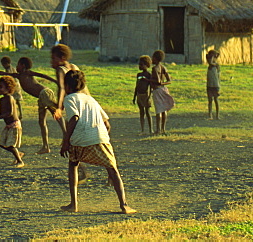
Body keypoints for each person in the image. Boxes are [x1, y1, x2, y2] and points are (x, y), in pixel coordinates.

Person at [59, 69, 135, 214]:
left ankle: (73, 204)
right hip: (100, 137)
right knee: (113, 169)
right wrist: (102, 139)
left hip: (80, 139)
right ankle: (124, 205)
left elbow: (74, 118)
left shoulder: (69, 99)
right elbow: (107, 124)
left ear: (67, 86)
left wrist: (66, 141)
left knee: (73, 165)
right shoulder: (91, 99)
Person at [0, 57, 60, 153]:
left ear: (23, 66)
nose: (16, 67)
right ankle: (46, 146)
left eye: (18, 65)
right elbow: (2, 73)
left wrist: (56, 82)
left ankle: (66, 137)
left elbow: (43, 75)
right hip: (41, 97)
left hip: (44, 93)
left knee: (57, 115)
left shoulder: (28, 73)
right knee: (42, 122)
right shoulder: (18, 76)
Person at [0, 76, 24, 167]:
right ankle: (18, 153)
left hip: (14, 125)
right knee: (2, 144)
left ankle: (20, 161)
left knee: (11, 145)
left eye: (1, 87)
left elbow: (10, 113)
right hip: (8, 125)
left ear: (8, 88)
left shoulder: (9, 98)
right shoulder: (1, 100)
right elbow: (2, 112)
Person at [150, 50, 175, 135]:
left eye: (153, 58)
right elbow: (169, 80)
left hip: (157, 90)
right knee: (164, 110)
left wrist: (148, 80)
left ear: (156, 59)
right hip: (164, 89)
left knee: (158, 111)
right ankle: (163, 129)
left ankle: (158, 129)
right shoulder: (163, 67)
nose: (151, 59)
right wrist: (163, 83)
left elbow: (157, 81)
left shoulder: (154, 68)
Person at [132, 55, 153, 134]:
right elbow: (136, 86)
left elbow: (150, 87)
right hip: (139, 95)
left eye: (141, 65)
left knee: (147, 112)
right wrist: (134, 97)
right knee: (141, 113)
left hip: (146, 95)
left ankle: (151, 129)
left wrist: (149, 96)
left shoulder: (148, 75)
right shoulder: (138, 75)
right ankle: (142, 130)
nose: (139, 66)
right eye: (139, 64)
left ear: (147, 65)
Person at [0, 55, 23, 120]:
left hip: (13, 85)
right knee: (17, 100)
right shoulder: (12, 68)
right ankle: (20, 113)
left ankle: (18, 113)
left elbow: (9, 78)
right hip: (16, 84)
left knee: (13, 100)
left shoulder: (8, 69)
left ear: (6, 63)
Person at [206, 49, 221, 120]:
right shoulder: (210, 66)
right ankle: (210, 115)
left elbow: (219, 77)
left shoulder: (216, 65)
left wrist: (213, 55)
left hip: (215, 85)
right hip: (209, 85)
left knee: (216, 100)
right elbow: (210, 61)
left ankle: (217, 115)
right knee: (210, 101)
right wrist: (212, 56)